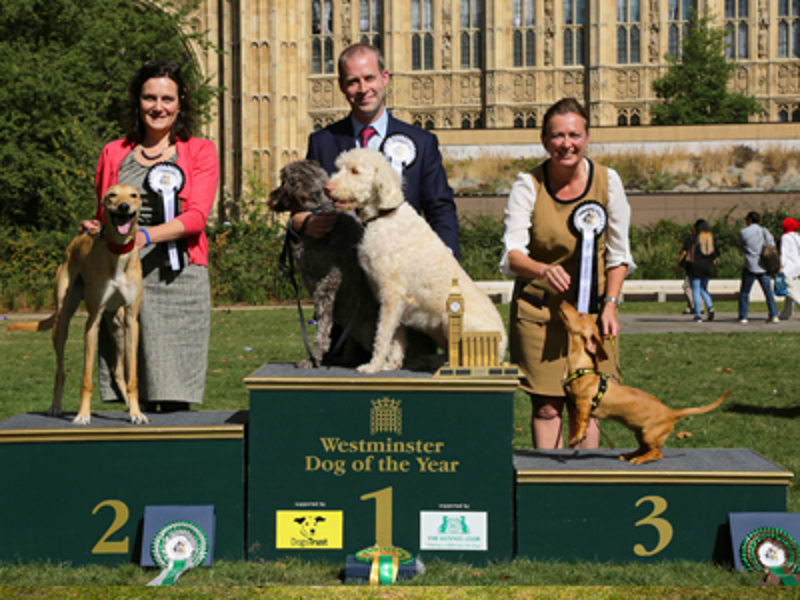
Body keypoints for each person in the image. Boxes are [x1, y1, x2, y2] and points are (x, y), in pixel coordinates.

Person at [499, 97, 635, 450]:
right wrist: (542, 269)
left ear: (587, 137)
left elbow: (619, 254)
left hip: (592, 314)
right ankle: (546, 489)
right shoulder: (528, 184)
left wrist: (610, 305)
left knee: (585, 403)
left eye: (574, 135)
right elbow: (512, 254)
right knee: (546, 407)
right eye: (557, 136)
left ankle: (583, 490)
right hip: (539, 312)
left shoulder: (609, 182)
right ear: (545, 142)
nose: (566, 144)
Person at [83, 60, 219, 411]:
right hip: (123, 279)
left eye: (167, 99)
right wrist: (96, 229)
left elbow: (195, 218)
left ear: (181, 102)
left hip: (179, 280)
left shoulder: (201, 151)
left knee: (175, 398)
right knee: (133, 398)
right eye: (149, 98)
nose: (158, 107)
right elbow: (107, 217)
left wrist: (144, 236)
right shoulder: (113, 152)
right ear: (137, 101)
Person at [297, 43, 460, 258]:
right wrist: (298, 223)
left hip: (403, 270)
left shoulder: (421, 142)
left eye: (369, 78)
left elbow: (440, 209)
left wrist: (446, 258)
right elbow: (303, 208)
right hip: (343, 274)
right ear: (341, 86)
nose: (363, 89)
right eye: (353, 82)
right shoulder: (322, 142)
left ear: (385, 77)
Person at [738, 211, 779, 324]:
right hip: (764, 265)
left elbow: (742, 245)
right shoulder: (765, 231)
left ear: (749, 220)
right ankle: (774, 314)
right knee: (768, 291)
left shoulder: (743, 232)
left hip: (750, 264)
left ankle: (743, 316)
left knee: (745, 292)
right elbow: (772, 245)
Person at [676, 219, 718, 323]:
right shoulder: (710, 240)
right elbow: (714, 258)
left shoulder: (692, 239)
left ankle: (698, 315)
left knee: (695, 290)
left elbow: (684, 253)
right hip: (707, 267)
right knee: (703, 289)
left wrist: (678, 264)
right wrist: (715, 270)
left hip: (694, 267)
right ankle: (710, 307)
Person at [778, 217, 800, 320]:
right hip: (797, 267)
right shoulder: (797, 236)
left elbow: (784, 253)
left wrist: (781, 266)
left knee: (790, 291)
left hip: (789, 267)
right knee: (791, 290)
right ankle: (786, 313)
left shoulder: (785, 237)